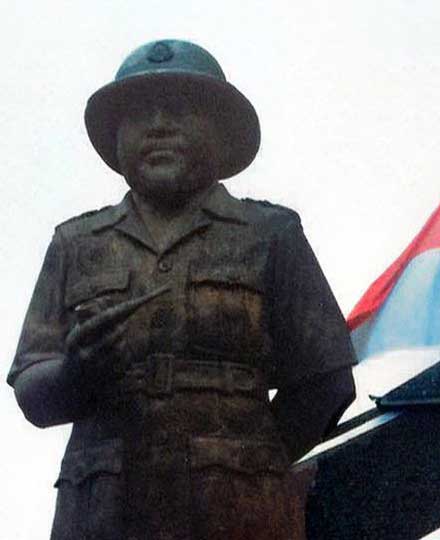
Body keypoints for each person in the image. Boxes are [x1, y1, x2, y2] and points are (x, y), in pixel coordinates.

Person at [7, 39, 356, 540]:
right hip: (102, 516)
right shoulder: (75, 244)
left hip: (239, 518)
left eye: (179, 110)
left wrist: (252, 462)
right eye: (139, 115)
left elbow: (327, 379)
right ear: (116, 139)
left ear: (221, 132)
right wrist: (76, 371)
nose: (159, 126)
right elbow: (32, 392)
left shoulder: (270, 235)